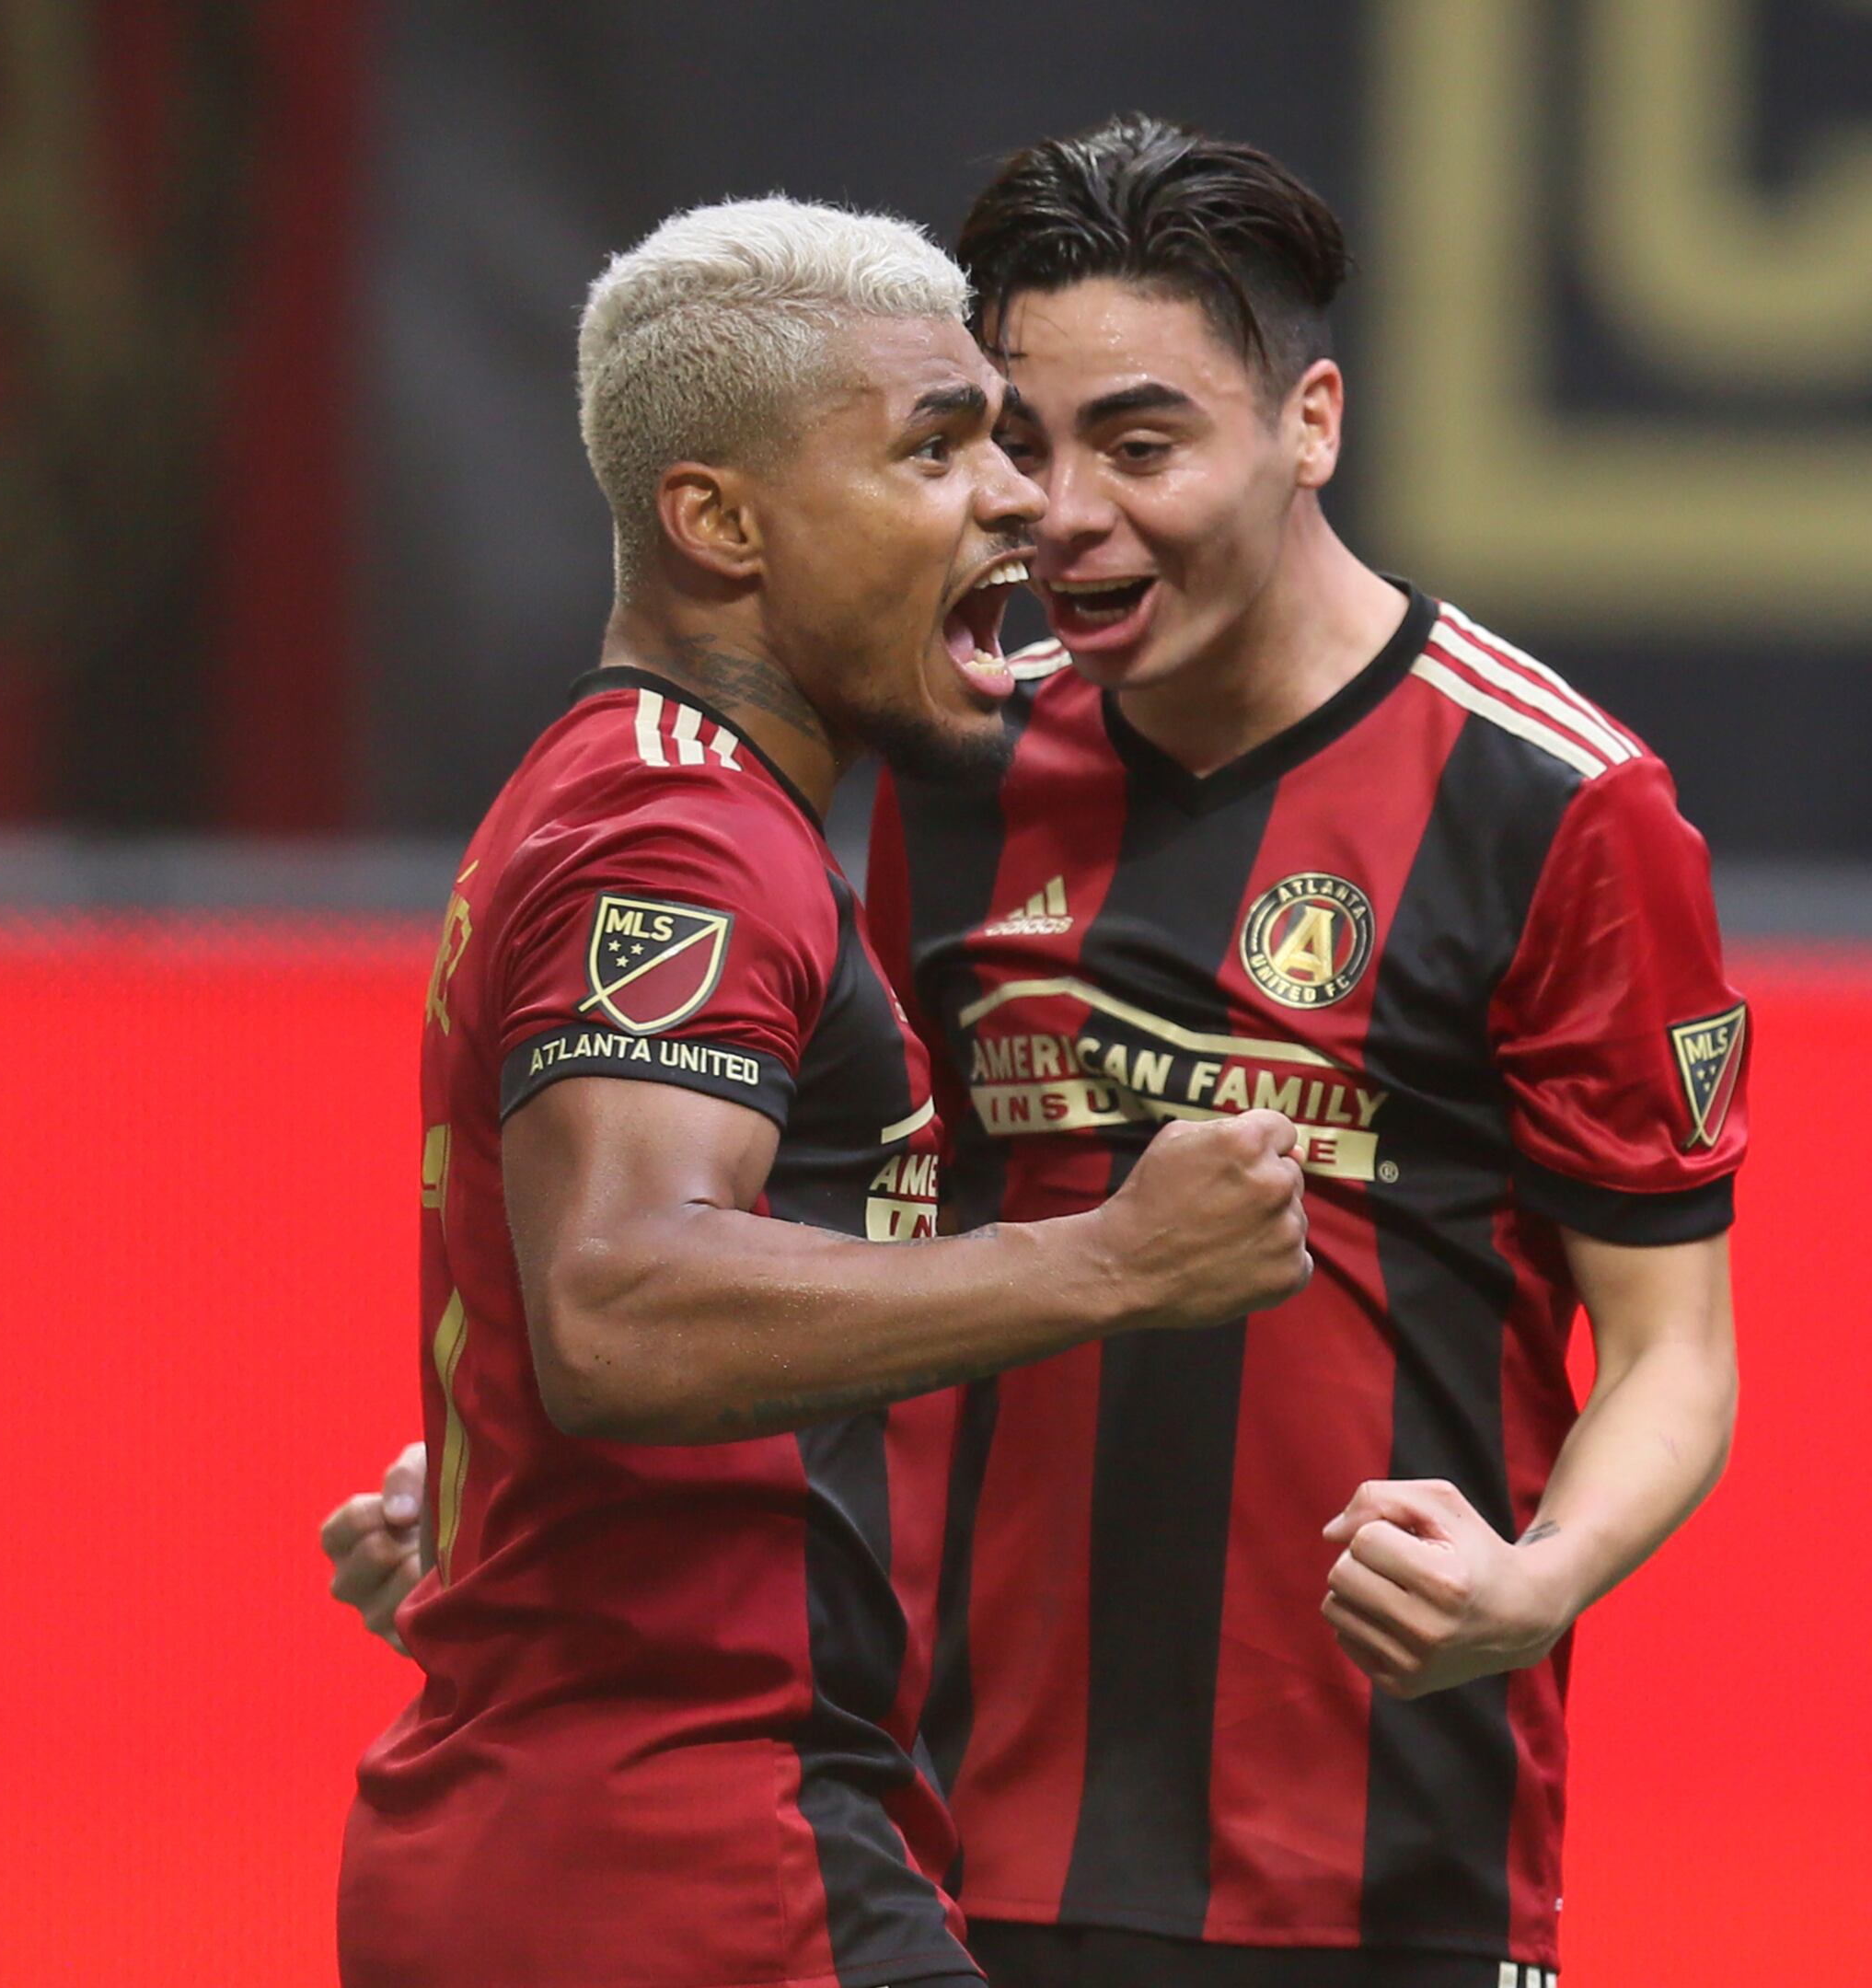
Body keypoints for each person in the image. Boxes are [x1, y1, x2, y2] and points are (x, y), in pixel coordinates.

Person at [331, 121, 1745, 1988]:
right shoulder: (956, 760)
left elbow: (1676, 1347)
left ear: (1309, 425)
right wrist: (540, 1479)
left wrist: (1535, 1581)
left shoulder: (1559, 804)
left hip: (1374, 1861)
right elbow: (836, 1232)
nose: (1055, 511)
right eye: (1006, 440)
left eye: (1138, 446)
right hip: (956, 1827)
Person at [335, 197, 1313, 1988]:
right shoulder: (680, 835)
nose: (1017, 503)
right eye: (937, 453)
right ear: (719, 522)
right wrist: (1118, 1263)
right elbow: (622, 1302)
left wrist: (497, 1515)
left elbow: (599, 1297)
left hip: (599, 1844)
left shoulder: (647, 795)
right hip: (700, 1866)